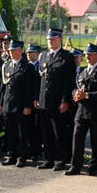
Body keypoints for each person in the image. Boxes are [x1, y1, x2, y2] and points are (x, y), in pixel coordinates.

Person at [35, 28, 76, 171]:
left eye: (53, 39)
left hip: (58, 100)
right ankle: (48, 158)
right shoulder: (44, 56)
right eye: (48, 39)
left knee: (59, 131)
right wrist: (37, 97)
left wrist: (65, 100)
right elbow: (40, 79)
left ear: (60, 39)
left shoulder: (67, 57)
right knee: (46, 131)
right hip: (44, 99)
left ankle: (60, 159)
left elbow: (68, 81)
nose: (50, 41)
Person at [67, 43, 97, 176]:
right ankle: (75, 165)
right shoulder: (82, 71)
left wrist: (87, 95)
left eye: (90, 54)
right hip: (81, 110)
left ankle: (94, 165)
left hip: (95, 111)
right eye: (86, 54)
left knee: (96, 139)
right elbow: (73, 88)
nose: (87, 57)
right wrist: (75, 94)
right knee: (77, 138)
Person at [0, 40, 38, 167]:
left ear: (20, 50)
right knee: (10, 131)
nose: (10, 52)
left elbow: (30, 88)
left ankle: (22, 156)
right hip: (8, 103)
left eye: (13, 50)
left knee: (22, 132)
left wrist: (28, 105)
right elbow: (3, 87)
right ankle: (11, 154)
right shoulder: (7, 65)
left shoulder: (28, 67)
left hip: (21, 105)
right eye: (9, 50)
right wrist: (0, 103)